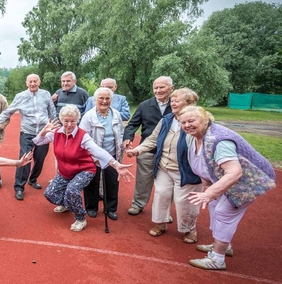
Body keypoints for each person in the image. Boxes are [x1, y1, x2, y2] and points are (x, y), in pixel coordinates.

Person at [179, 106, 276, 270]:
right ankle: (223, 245)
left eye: (191, 121)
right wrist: (208, 188)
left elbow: (234, 172)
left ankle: (217, 259)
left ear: (205, 120)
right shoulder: (193, 137)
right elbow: (203, 165)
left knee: (223, 212)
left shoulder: (219, 140)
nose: (187, 125)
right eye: (183, 122)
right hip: (224, 179)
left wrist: (209, 193)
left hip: (247, 181)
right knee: (214, 205)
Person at [34, 104, 133, 232]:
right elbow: (38, 141)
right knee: (50, 194)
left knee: (72, 190)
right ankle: (68, 204)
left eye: (72, 121)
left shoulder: (83, 136)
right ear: (61, 120)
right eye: (66, 121)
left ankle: (80, 217)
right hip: (65, 171)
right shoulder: (56, 133)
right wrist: (43, 131)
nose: (69, 124)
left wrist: (116, 164)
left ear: (77, 121)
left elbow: (98, 151)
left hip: (84, 169)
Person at [126, 88, 202, 242]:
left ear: (189, 103)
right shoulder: (167, 119)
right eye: (172, 100)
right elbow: (153, 139)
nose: (172, 102)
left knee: (183, 200)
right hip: (164, 167)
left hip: (186, 170)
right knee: (161, 194)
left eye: (177, 100)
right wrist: (137, 150)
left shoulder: (197, 120)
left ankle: (190, 229)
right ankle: (161, 223)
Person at [0, 73, 55, 200]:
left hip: (44, 133)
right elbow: (8, 111)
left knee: (40, 159)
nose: (33, 84)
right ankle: (19, 187)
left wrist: (56, 128)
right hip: (27, 133)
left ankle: (33, 179)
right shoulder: (21, 96)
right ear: (27, 83)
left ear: (39, 82)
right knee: (25, 159)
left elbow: (52, 112)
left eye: (35, 81)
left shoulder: (45, 94)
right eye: (30, 82)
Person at [123, 76, 174, 215]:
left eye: (162, 87)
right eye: (155, 88)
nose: (158, 90)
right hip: (147, 149)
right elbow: (132, 124)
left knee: (167, 184)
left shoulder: (177, 105)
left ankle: (164, 211)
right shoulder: (145, 105)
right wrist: (128, 137)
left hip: (169, 152)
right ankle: (138, 204)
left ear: (171, 88)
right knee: (143, 180)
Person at [79, 87, 125, 220]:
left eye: (107, 98)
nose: (104, 101)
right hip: (93, 156)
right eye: (101, 98)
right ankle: (91, 207)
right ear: (95, 100)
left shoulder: (116, 114)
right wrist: (93, 156)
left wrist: (122, 145)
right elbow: (83, 137)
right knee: (92, 181)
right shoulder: (88, 116)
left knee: (112, 182)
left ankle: (110, 208)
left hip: (112, 154)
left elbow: (120, 132)